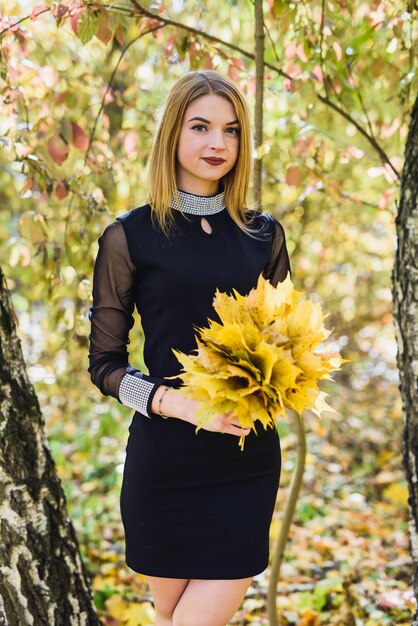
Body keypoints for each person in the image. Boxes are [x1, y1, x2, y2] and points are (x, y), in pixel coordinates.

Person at [88, 69, 291, 626]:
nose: (216, 144)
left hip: (245, 459)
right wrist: (178, 404)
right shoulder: (129, 236)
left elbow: (285, 344)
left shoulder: (263, 235)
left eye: (230, 131)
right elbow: (103, 365)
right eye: (201, 127)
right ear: (173, 133)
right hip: (165, 459)